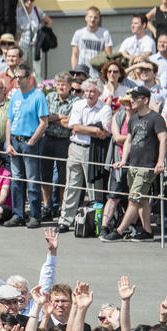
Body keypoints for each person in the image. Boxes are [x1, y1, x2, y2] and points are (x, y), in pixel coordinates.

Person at [102, 86, 167, 242]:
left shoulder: (155, 118)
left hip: (147, 166)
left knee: (134, 199)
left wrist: (160, 161)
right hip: (133, 165)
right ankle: (147, 231)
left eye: (135, 98)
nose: (132, 100)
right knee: (142, 200)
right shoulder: (133, 119)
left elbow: (163, 139)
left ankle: (119, 231)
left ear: (145, 100)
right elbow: (128, 142)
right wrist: (123, 161)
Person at [56, 78, 112, 233]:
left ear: (99, 93)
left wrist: (85, 128)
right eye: (86, 91)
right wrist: (94, 129)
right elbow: (74, 127)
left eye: (92, 91)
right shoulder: (78, 105)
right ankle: (65, 220)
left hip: (93, 150)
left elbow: (104, 131)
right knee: (71, 185)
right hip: (75, 147)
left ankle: (96, 222)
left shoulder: (105, 108)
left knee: (94, 187)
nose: (89, 94)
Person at [5, 63, 49, 227]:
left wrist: (32, 141)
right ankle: (18, 215)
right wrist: (8, 143)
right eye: (15, 77)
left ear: (29, 78)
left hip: (29, 142)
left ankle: (35, 216)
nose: (17, 80)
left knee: (32, 181)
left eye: (20, 77)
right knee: (16, 180)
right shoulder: (15, 96)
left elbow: (43, 122)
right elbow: (9, 121)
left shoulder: (38, 96)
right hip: (15, 141)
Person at [70, 8, 113, 78]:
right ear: (86, 18)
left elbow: (108, 56)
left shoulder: (105, 33)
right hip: (82, 73)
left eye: (95, 17)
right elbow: (75, 55)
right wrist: (75, 72)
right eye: (90, 17)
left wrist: (106, 74)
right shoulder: (79, 33)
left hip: (98, 75)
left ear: (98, 19)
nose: (93, 19)